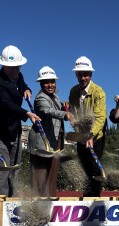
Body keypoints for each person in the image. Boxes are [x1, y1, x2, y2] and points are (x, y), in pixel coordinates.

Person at [0, 45, 40, 199]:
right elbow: (7, 105)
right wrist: (27, 113)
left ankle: (12, 200)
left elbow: (22, 84)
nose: (15, 71)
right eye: (11, 68)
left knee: (15, 168)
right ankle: (1, 204)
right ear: (3, 65)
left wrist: (27, 89)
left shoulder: (19, 75)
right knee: (4, 168)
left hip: (14, 129)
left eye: (17, 67)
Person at [28, 66, 73, 197]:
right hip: (42, 142)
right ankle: (38, 208)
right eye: (46, 82)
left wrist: (65, 106)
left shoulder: (55, 97)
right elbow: (48, 111)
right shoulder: (40, 98)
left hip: (54, 141)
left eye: (52, 82)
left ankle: (50, 204)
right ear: (41, 84)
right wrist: (65, 114)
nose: (50, 85)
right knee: (40, 177)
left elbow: (57, 108)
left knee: (52, 175)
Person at [68, 56, 107, 196]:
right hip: (81, 135)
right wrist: (74, 123)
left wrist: (91, 135)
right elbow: (73, 112)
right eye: (80, 74)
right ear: (76, 75)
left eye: (86, 74)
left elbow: (100, 116)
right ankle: (86, 197)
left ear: (90, 75)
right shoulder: (73, 92)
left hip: (95, 136)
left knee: (94, 168)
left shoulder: (98, 91)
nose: (83, 78)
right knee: (83, 166)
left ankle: (95, 199)